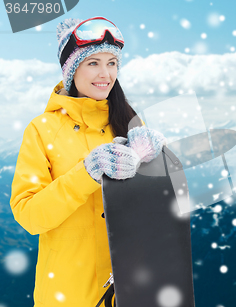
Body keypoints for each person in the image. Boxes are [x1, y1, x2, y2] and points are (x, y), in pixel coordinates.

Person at [10, 17, 164, 306]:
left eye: (112, 63)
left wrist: (156, 166)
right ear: (71, 69)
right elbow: (29, 216)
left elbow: (148, 211)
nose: (105, 73)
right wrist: (87, 173)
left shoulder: (129, 123)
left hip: (126, 290)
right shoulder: (42, 130)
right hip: (67, 295)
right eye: (93, 63)